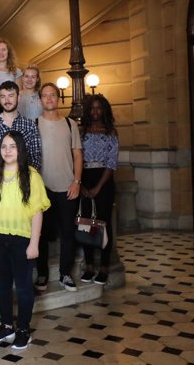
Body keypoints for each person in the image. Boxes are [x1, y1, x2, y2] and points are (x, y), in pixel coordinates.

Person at [0, 131, 50, 350]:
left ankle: (23, 330)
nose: (7, 151)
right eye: (4, 147)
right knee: (1, 286)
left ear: (20, 149)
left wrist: (34, 243)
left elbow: (38, 212)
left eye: (12, 146)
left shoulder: (31, 175)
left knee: (23, 287)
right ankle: (7, 325)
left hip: (22, 239)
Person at [35, 83, 83, 293]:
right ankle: (42, 273)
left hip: (67, 187)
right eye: (44, 95)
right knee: (41, 233)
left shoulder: (70, 124)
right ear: (40, 100)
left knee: (67, 233)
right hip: (42, 188)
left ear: (58, 98)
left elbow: (78, 154)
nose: (49, 99)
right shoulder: (34, 124)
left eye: (52, 95)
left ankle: (65, 273)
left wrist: (77, 181)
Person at [79, 94, 119, 285]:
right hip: (84, 178)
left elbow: (111, 164)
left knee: (104, 224)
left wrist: (97, 187)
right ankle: (89, 266)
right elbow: (76, 158)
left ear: (104, 110)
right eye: (92, 108)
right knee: (86, 224)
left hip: (104, 180)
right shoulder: (82, 131)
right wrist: (82, 185)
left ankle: (103, 267)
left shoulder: (111, 132)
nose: (95, 112)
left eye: (99, 108)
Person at [0, 80, 42, 170]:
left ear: (18, 98)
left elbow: (35, 158)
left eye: (11, 96)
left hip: (24, 179)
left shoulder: (30, 125)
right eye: (3, 97)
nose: (7, 100)